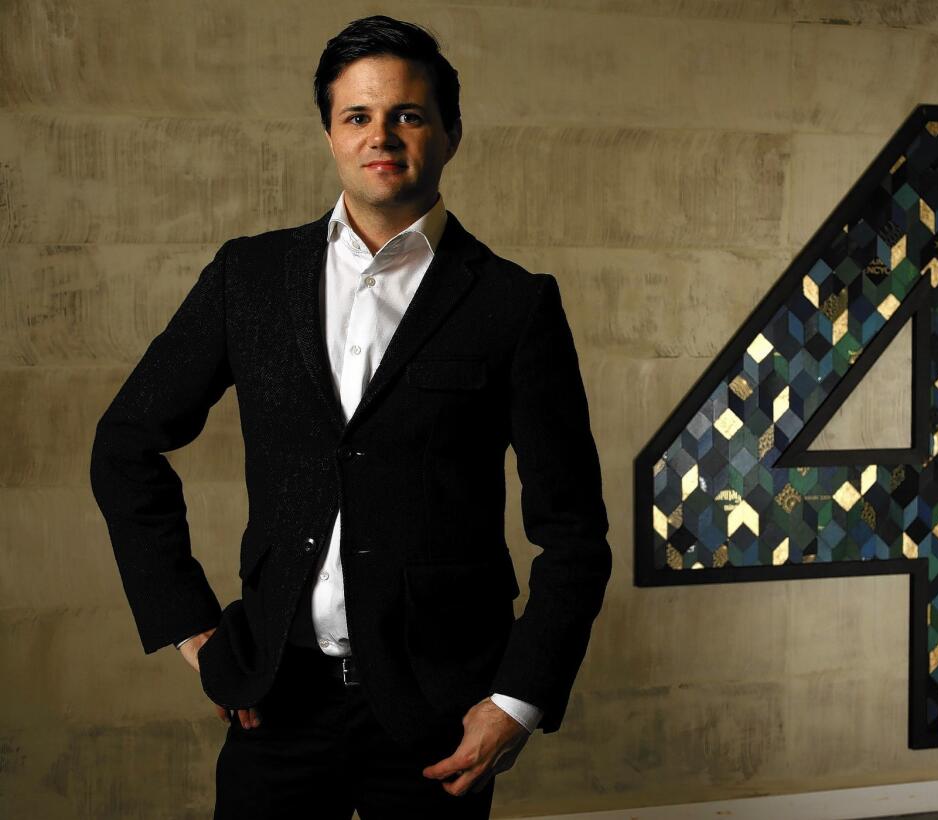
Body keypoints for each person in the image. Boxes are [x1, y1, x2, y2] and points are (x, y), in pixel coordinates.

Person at [89, 16, 611, 819]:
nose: (383, 136)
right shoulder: (249, 278)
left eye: (408, 114)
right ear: (330, 134)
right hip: (275, 695)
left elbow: (573, 531)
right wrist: (189, 627)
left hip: (440, 710)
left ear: (450, 134)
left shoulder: (513, 304)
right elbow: (126, 445)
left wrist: (518, 701)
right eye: (357, 116)